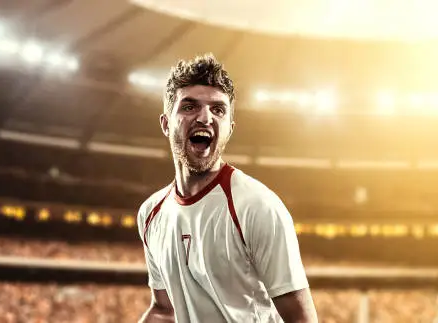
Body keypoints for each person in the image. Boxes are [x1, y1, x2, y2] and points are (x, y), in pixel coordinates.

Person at [136, 53, 318, 323]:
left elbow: (300, 319)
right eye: (189, 107)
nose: (205, 118)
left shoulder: (257, 206)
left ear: (229, 128)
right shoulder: (151, 213)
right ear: (165, 123)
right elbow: (164, 311)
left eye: (218, 110)